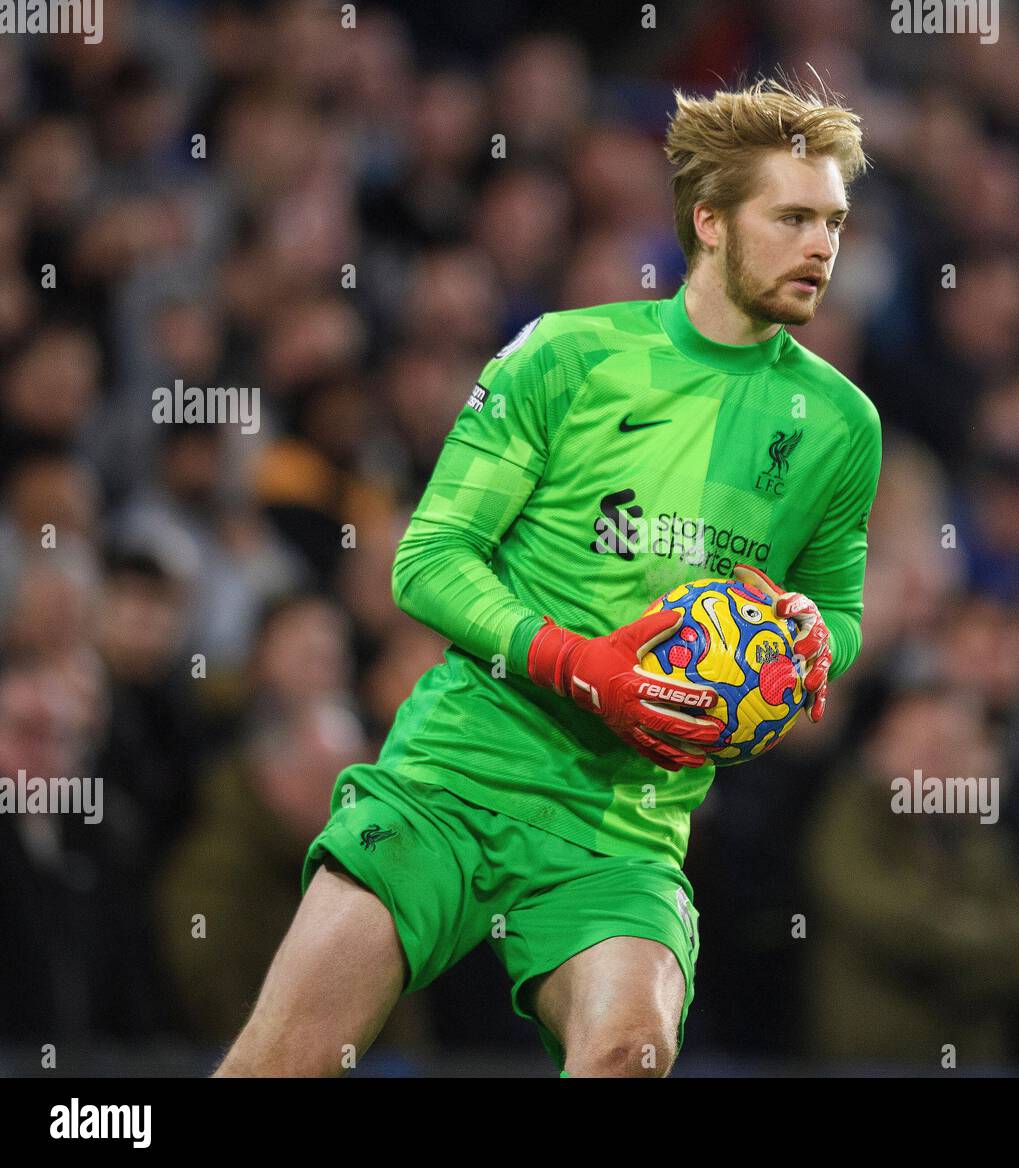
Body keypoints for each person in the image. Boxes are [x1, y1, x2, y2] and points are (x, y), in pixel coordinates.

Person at [214, 76, 883, 1078]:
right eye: (790, 217)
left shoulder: (840, 426)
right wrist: (581, 665)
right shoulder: (568, 356)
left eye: (832, 221)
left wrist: (817, 645)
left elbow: (835, 607)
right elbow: (427, 558)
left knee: (630, 1049)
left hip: (625, 826)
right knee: (286, 1062)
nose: (821, 245)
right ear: (707, 221)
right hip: (457, 778)